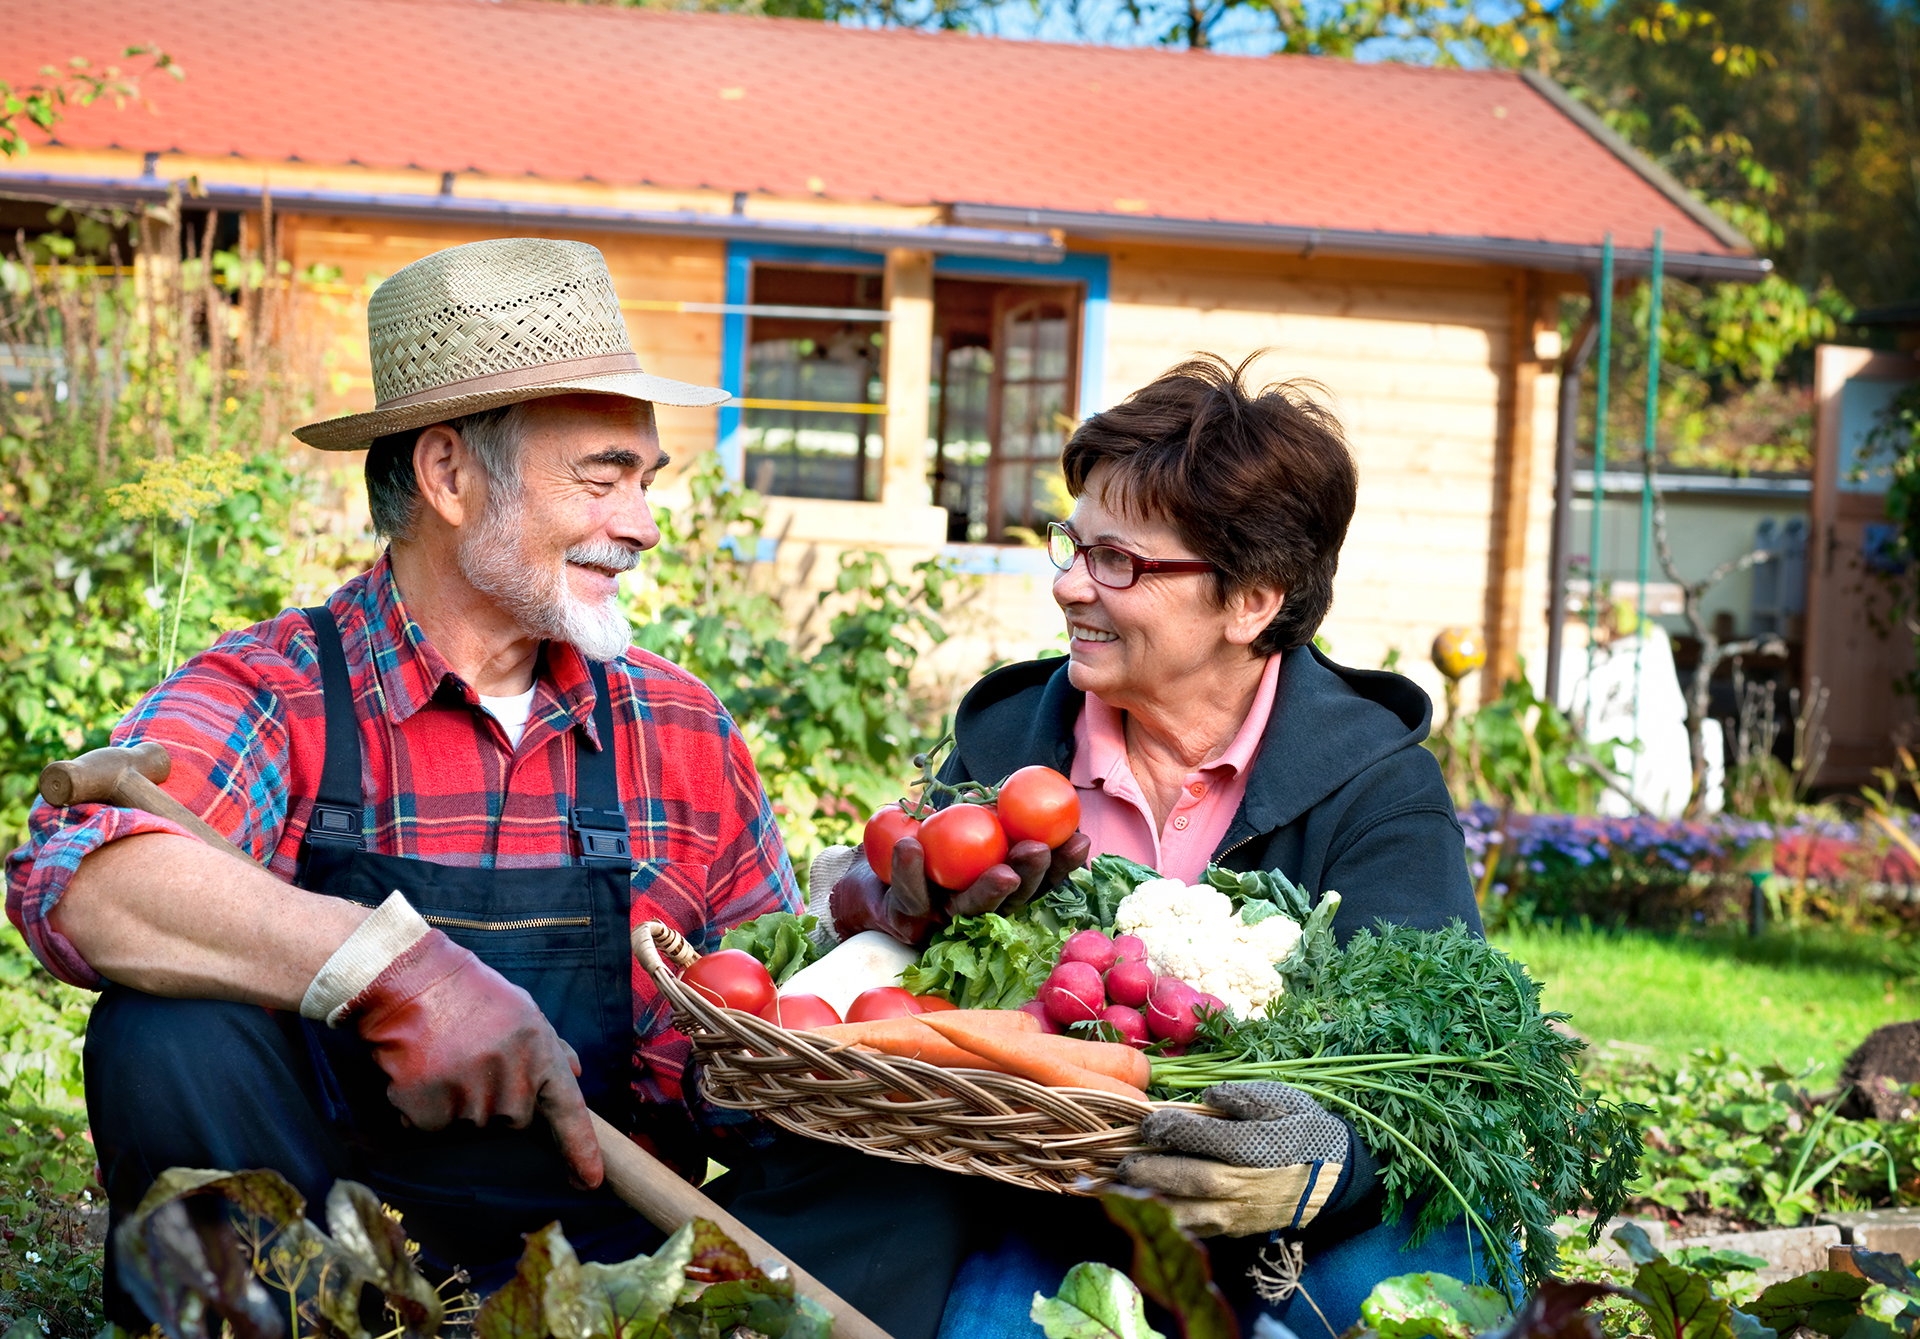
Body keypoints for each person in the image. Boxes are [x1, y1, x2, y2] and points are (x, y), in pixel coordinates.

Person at [4, 237, 976, 1339]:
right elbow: (77, 877)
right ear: (449, 475)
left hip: (611, 1293)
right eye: (603, 477)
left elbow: (744, 1064)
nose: (645, 524)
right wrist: (394, 970)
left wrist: (868, 952)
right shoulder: (276, 689)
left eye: (646, 482)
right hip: (325, 1282)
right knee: (163, 1038)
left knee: (896, 1165)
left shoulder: (679, 728)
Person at [824, 354, 1487, 1336]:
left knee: (1435, 1298)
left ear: (1254, 597)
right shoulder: (1005, 743)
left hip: (1294, 1243)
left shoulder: (1377, 785)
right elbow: (901, 986)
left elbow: (1440, 1076)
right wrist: (887, 904)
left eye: (1117, 561)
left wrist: (1324, 1164)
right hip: (1051, 1210)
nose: (1066, 586)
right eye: (1070, 543)